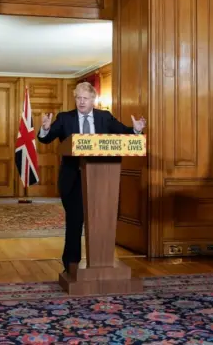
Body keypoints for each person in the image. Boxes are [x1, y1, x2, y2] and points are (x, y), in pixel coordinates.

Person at [37, 81, 146, 273]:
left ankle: (101, 263)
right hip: (73, 179)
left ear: (93, 100)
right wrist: (45, 128)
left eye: (85, 98)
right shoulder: (64, 118)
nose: (81, 102)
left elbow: (124, 133)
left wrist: (136, 130)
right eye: (78, 98)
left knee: (101, 220)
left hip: (102, 178)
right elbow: (47, 138)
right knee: (75, 220)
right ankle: (71, 266)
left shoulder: (104, 117)